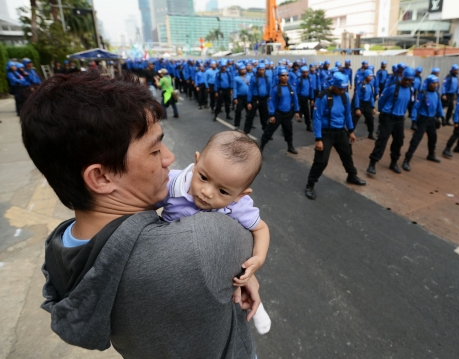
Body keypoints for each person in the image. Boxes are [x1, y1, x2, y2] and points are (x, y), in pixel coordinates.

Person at [20, 70, 260, 358]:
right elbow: (247, 244)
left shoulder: (62, 247)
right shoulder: (203, 243)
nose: (170, 158)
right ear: (101, 177)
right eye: (155, 149)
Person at [158, 131, 272, 335]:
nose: (207, 192)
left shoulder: (238, 206)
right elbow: (143, 205)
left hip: (215, 266)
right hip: (173, 259)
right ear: (196, 162)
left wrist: (259, 259)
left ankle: (257, 307)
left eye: (223, 191)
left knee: (239, 277)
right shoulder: (174, 183)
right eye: (203, 177)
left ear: (240, 195)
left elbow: (261, 228)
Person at [304, 72, 366, 200]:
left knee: (347, 155)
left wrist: (351, 131)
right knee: (321, 161)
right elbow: (317, 118)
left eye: (344, 88)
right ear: (333, 85)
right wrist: (318, 139)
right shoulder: (323, 97)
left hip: (340, 132)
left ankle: (352, 176)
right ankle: (310, 185)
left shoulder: (345, 96)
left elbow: (348, 114)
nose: (342, 91)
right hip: (326, 133)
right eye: (340, 88)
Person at [367, 67, 415, 175]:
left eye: (410, 80)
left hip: (400, 119)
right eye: (406, 79)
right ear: (402, 76)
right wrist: (383, 114)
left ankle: (394, 162)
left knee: (398, 142)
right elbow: (381, 101)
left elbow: (410, 102)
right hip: (388, 118)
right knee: (382, 140)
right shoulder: (392, 87)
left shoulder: (410, 89)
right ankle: (372, 163)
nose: (407, 82)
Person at [402, 75, 444, 172]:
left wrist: (442, 116)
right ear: (428, 83)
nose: (435, 85)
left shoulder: (437, 94)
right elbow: (415, 107)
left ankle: (431, 154)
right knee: (416, 140)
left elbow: (439, 106)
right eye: (433, 83)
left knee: (433, 138)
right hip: (423, 120)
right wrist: (414, 120)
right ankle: (407, 159)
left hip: (432, 120)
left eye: (436, 83)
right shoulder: (422, 94)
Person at [258, 68, 300, 154]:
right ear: (279, 77)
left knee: (289, 131)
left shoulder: (292, 88)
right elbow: (271, 102)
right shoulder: (275, 89)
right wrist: (272, 115)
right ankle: (260, 148)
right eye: (283, 75)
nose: (285, 77)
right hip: (277, 114)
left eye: (287, 75)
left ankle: (290, 146)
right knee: (268, 132)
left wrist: (296, 111)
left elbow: (295, 100)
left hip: (287, 114)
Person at [246, 63, 271, 135]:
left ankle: (266, 132)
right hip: (255, 99)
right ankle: (246, 131)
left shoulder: (267, 79)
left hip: (264, 99)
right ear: (257, 70)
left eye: (263, 69)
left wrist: (270, 100)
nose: (262, 71)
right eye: (260, 70)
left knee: (265, 117)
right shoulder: (254, 78)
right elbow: (250, 90)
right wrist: (249, 102)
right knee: (250, 116)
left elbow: (270, 90)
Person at [353, 69, 376, 139]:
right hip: (361, 104)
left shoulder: (371, 85)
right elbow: (356, 97)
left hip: (367, 104)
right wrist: (357, 108)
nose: (371, 78)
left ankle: (370, 133)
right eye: (370, 76)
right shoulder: (360, 85)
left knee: (370, 120)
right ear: (366, 76)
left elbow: (371, 97)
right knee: (354, 120)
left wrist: (373, 107)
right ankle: (349, 134)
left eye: (372, 76)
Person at [233, 65, 251, 131]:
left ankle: (248, 125)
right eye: (242, 69)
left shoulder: (249, 77)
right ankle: (236, 124)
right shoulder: (236, 78)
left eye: (244, 69)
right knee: (238, 111)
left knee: (249, 112)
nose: (243, 70)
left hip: (248, 97)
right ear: (239, 71)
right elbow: (235, 88)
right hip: (240, 97)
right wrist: (235, 98)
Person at [297, 65, 315, 132]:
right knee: (291, 112)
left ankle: (308, 126)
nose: (305, 73)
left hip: (305, 99)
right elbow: (296, 90)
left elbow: (311, 89)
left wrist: (312, 99)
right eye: (304, 72)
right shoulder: (299, 79)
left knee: (307, 113)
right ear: (302, 72)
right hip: (299, 98)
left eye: (306, 72)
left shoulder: (309, 79)